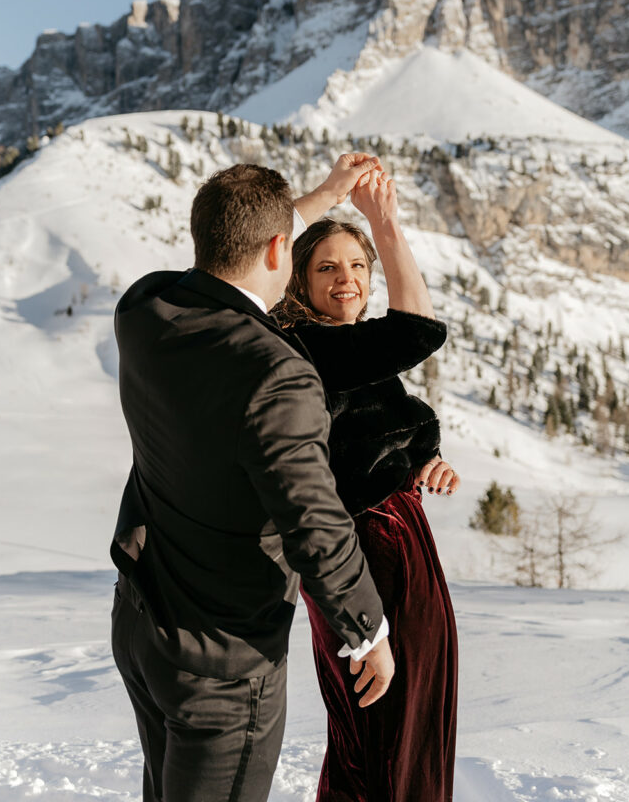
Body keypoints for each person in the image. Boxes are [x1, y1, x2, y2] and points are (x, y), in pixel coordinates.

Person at [110, 154, 396, 802]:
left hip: (141, 626)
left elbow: (240, 246)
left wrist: (321, 196)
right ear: (279, 249)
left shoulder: (145, 308)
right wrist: (367, 629)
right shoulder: (276, 373)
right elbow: (314, 522)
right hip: (223, 664)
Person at [272, 167, 460, 802]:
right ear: (297, 279)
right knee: (374, 723)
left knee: (414, 715)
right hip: (358, 552)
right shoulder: (300, 347)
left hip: (407, 542)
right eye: (326, 267)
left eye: (358, 264)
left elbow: (401, 431)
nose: (346, 278)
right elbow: (419, 329)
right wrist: (382, 222)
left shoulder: (355, 351)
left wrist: (427, 464)